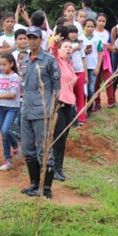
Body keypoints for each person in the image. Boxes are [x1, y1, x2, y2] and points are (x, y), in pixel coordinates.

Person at [19, 26, 60, 197]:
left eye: (34, 37)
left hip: (43, 111)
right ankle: (35, 184)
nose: (31, 40)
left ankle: (47, 189)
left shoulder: (49, 60)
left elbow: (57, 88)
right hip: (26, 110)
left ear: (41, 39)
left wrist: (52, 108)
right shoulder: (25, 61)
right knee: (28, 149)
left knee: (44, 150)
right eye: (29, 37)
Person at [50, 39, 78, 192]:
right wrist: (55, 43)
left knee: (65, 136)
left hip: (69, 103)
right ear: (60, 50)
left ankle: (59, 168)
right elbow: (52, 52)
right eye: (65, 47)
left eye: (70, 47)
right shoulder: (57, 62)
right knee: (58, 136)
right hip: (58, 102)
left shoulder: (69, 66)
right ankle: (53, 168)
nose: (68, 49)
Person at [0, 53, 20, 170]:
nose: (2, 67)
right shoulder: (1, 76)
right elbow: (1, 89)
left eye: (4, 64)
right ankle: (7, 160)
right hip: (1, 107)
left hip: (12, 108)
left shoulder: (15, 77)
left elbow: (13, 94)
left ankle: (14, 144)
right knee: (3, 134)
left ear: (11, 64)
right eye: (1, 65)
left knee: (5, 130)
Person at [93, 14, 115, 110]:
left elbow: (112, 47)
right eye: (100, 21)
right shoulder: (92, 32)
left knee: (109, 81)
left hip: (106, 60)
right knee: (95, 82)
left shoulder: (107, 33)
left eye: (103, 21)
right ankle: (97, 103)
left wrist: (110, 47)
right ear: (96, 21)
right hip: (95, 60)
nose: (101, 23)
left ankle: (111, 102)